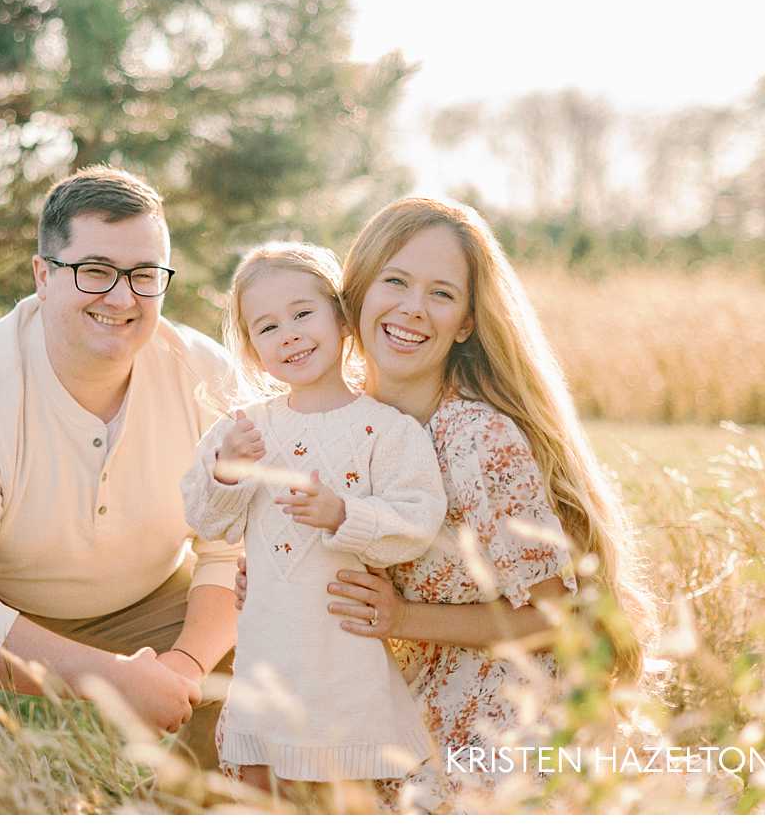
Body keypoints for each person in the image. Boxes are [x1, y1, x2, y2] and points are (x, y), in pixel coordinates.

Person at [232, 197, 659, 810]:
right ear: (355, 297)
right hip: (385, 689)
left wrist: (402, 618)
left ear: (464, 322)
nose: (412, 308)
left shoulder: (476, 441)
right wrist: (277, 578)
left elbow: (563, 622)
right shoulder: (337, 426)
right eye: (396, 281)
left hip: (502, 701)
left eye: (441, 294)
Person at [0, 166, 242, 766]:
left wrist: (182, 669)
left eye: (144, 275)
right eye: (95, 271)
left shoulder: (206, 378)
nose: (122, 297)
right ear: (43, 276)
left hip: (141, 591)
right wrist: (111, 680)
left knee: (273, 649)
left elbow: (232, 553)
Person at [180, 242, 446, 792]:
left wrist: (343, 514)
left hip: (342, 653)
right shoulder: (245, 429)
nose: (290, 334)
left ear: (341, 317)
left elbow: (417, 522)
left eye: (303, 314)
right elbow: (205, 520)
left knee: (340, 789)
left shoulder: (385, 430)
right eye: (268, 326)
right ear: (252, 348)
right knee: (261, 789)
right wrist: (228, 471)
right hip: (268, 651)